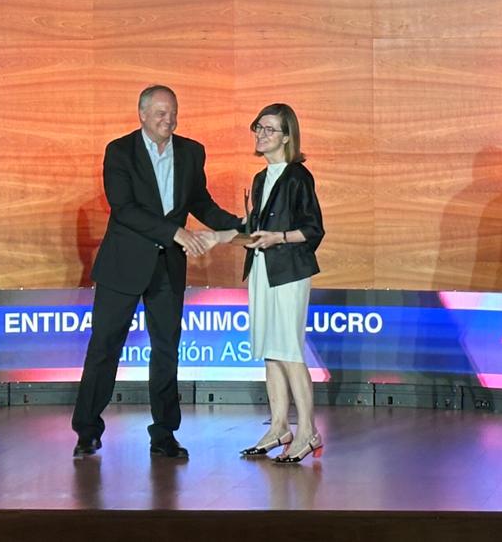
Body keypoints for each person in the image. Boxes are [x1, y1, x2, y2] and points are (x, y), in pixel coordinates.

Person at [71, 85, 244, 460]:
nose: (170, 120)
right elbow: (124, 208)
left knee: (166, 349)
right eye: (162, 113)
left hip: (168, 267)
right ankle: (87, 430)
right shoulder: (120, 151)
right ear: (143, 114)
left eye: (174, 112)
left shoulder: (192, 151)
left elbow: (200, 202)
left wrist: (239, 227)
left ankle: (164, 433)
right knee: (104, 347)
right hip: (123, 265)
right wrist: (175, 232)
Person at [233, 103, 326, 464]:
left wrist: (278, 238)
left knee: (288, 349)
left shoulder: (298, 176)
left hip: (288, 270)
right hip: (261, 267)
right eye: (258, 127)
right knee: (271, 350)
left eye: (269, 129)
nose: (261, 134)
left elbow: (313, 229)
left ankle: (308, 431)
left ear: (287, 137)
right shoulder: (261, 178)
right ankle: (278, 428)